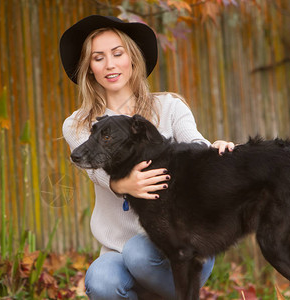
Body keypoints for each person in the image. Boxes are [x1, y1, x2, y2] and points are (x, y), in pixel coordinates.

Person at [60, 15, 234, 300]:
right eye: (98, 58)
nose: (110, 65)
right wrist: (121, 184)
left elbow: (195, 143)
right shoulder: (78, 123)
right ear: (89, 68)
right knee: (101, 280)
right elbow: (96, 169)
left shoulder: (169, 107)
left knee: (140, 254)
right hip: (119, 250)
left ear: (132, 58)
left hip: (179, 242)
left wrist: (215, 149)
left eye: (118, 53)